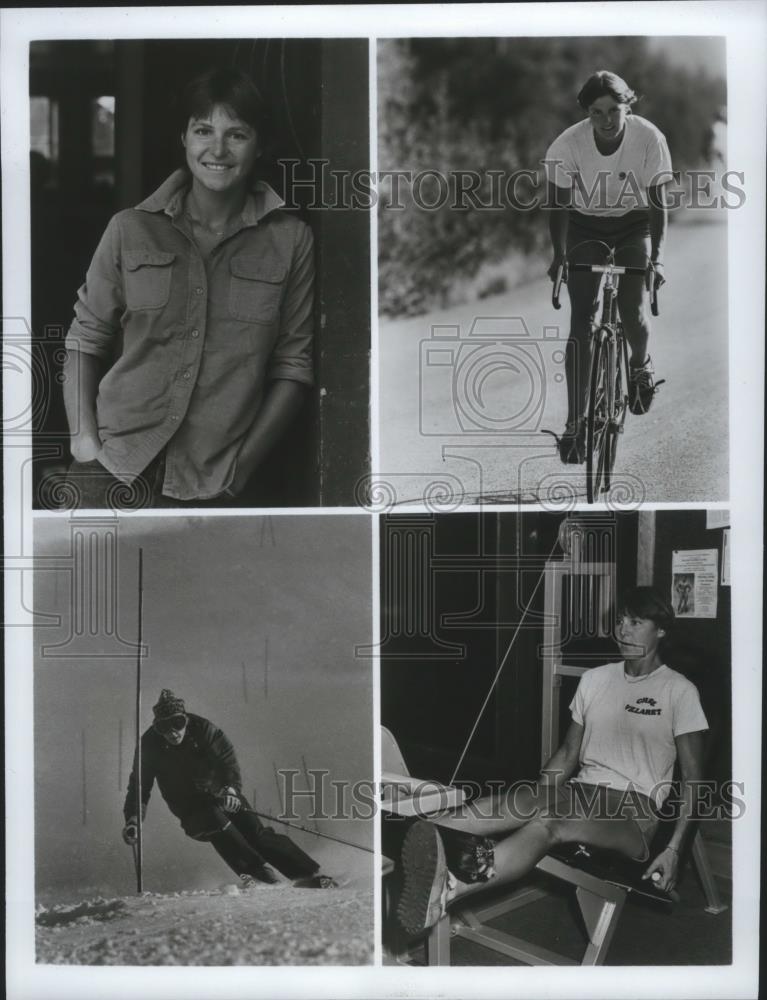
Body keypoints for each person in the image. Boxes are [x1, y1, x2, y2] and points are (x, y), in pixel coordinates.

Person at [63, 67, 314, 508]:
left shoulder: (290, 240)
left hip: (216, 482)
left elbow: (293, 366)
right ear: (184, 138)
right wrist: (85, 444)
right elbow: (84, 340)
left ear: (260, 144)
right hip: (111, 467)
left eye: (237, 134)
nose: (217, 149)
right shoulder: (129, 229)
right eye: (203, 130)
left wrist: (241, 471)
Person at [395, 587, 708, 936]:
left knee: (550, 821)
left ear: (661, 630)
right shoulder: (595, 680)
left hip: (635, 813)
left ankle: (449, 889)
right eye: (620, 621)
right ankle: (407, 841)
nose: (623, 630)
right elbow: (568, 753)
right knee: (511, 801)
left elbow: (694, 779)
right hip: (583, 790)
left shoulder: (679, 691)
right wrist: (535, 794)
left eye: (636, 622)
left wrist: (674, 850)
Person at [544, 71, 673, 463]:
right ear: (586, 112)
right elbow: (558, 205)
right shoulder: (567, 145)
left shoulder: (649, 138)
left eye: (614, 110)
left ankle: (638, 367)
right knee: (582, 316)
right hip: (585, 224)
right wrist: (559, 255)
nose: (605, 120)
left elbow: (657, 203)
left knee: (633, 308)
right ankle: (574, 425)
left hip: (634, 223)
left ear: (627, 107)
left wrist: (657, 258)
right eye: (596, 112)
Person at [122, 689, 337, 889]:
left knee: (257, 834)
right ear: (157, 728)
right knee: (218, 824)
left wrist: (230, 790)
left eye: (177, 723)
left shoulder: (203, 730)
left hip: (221, 795)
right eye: (163, 727)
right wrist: (133, 818)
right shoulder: (149, 745)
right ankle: (262, 878)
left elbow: (227, 762)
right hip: (190, 810)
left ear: (186, 719)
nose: (172, 732)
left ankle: (310, 874)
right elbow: (139, 785)